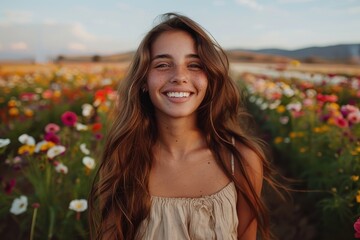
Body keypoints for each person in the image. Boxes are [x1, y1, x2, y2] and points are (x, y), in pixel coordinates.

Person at [89, 12, 281, 240]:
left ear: (210, 79)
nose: (179, 76)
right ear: (142, 81)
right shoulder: (123, 159)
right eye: (162, 64)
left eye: (194, 65)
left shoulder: (241, 160)